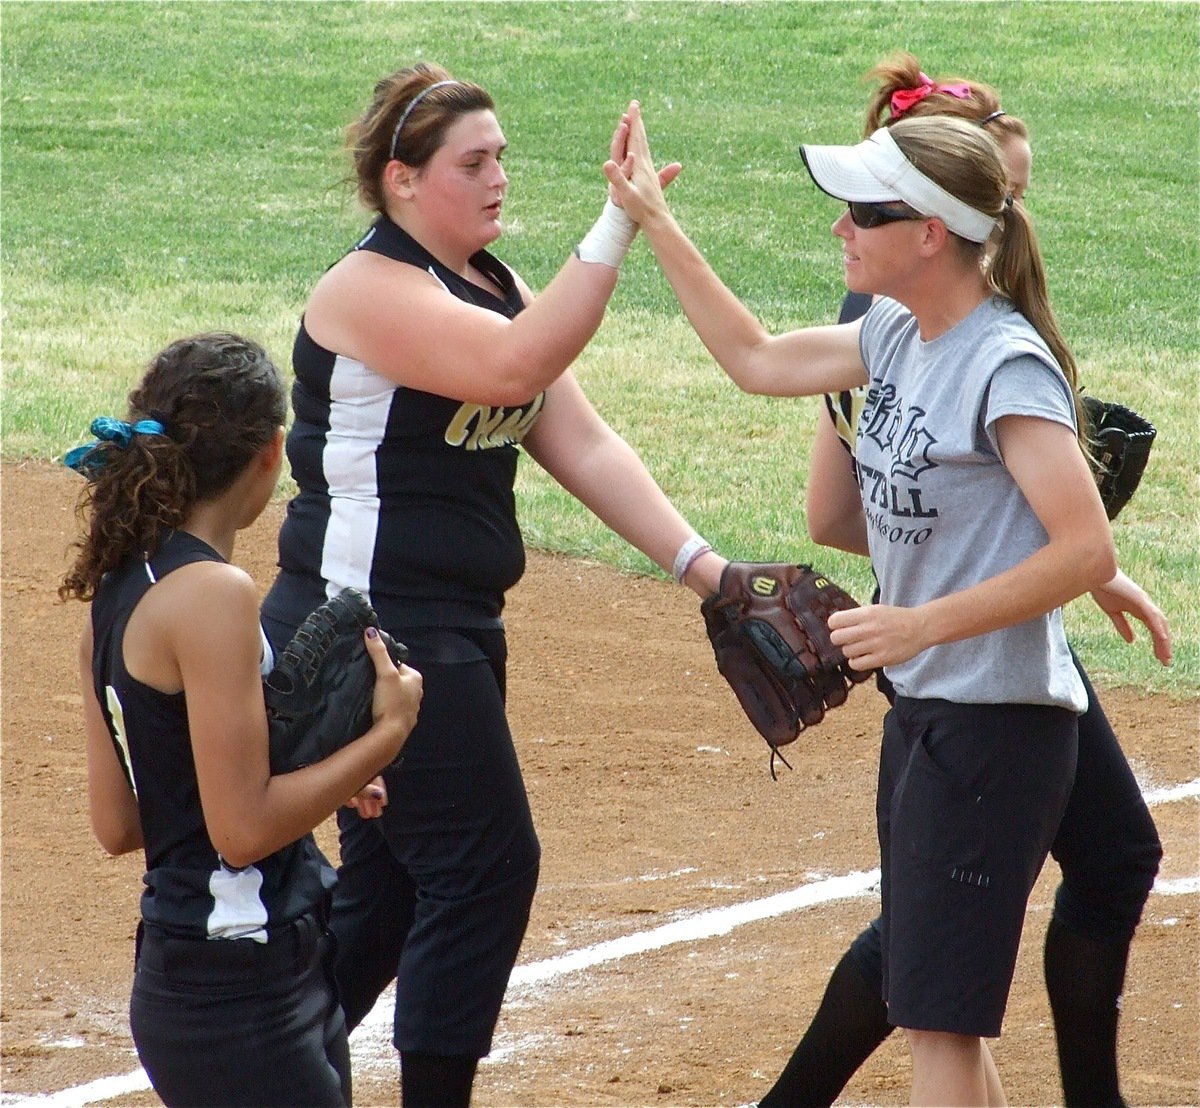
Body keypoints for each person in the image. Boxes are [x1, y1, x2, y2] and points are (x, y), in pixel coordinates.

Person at [609, 103, 1119, 1104]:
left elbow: (1084, 543)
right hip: (935, 715)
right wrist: (654, 224)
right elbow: (756, 360)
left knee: (936, 1022)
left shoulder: (1002, 362)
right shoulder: (895, 330)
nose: (839, 225)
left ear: (931, 233)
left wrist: (917, 623)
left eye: (863, 211)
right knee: (945, 1015)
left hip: (992, 730)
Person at [258, 64, 726, 1106]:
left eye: (502, 156)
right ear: (402, 181)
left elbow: (583, 441)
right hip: (368, 630)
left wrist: (709, 571)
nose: (497, 177)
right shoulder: (368, 289)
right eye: (472, 162)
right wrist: (616, 225)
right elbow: (518, 368)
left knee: (392, 889)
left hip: (446, 625)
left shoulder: (491, 282)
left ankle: (262, 1068)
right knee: (483, 867)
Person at [762, 58, 1167, 1108]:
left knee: (1108, 859)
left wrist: (1090, 571)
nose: (1013, 214)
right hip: (965, 656)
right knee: (933, 952)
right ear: (945, 210)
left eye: (1018, 192)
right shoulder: (902, 319)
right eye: (1003, 190)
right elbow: (835, 513)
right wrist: (961, 586)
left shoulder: (967, 315)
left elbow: (1042, 521)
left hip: (1001, 640)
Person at [60, 332, 424, 1107]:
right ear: (272, 452)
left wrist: (311, 774)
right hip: (242, 998)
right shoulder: (215, 594)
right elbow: (241, 831)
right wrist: (384, 735)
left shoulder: (120, 593)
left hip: (205, 976)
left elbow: (122, 821)